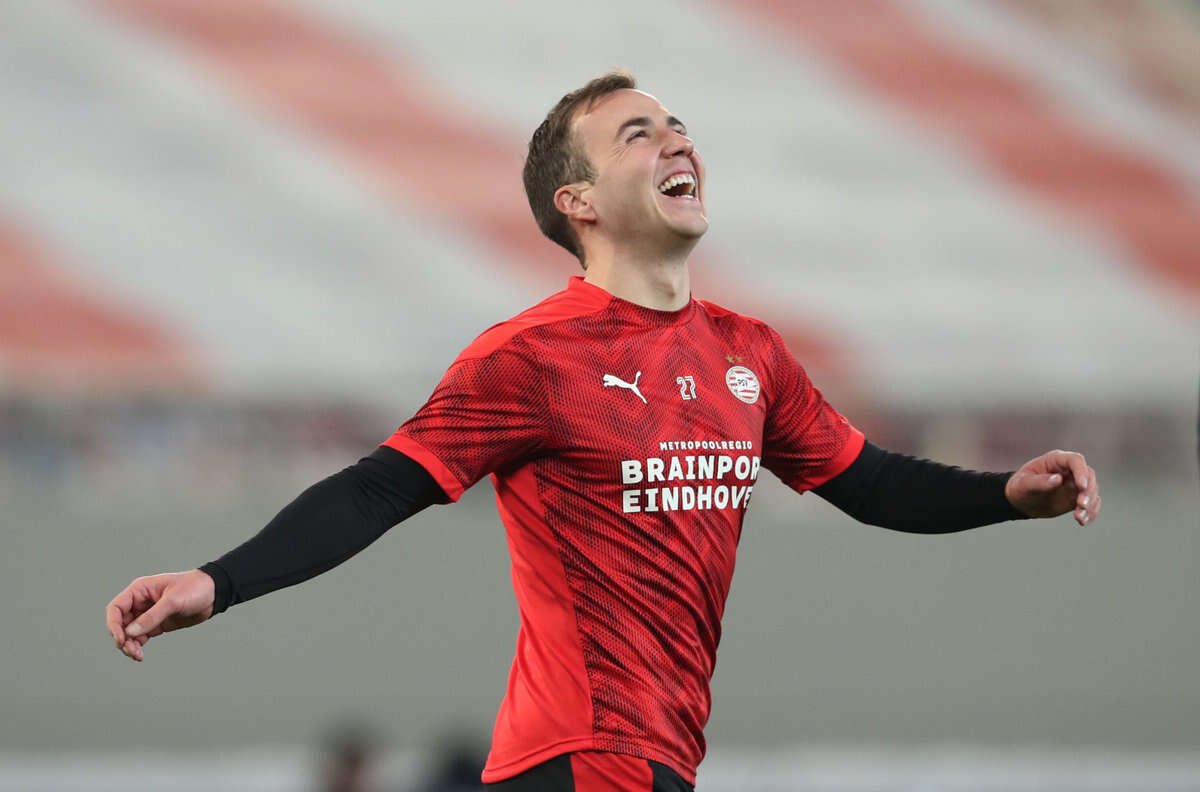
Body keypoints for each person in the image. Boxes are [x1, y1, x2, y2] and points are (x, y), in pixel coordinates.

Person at [105, 71, 1102, 792]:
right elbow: (377, 487)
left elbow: (869, 481)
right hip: (581, 757)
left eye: (679, 127)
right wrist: (217, 583)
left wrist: (1007, 496)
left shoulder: (750, 352)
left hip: (652, 762)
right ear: (577, 201)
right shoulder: (533, 357)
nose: (677, 142)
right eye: (638, 134)